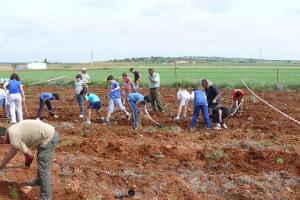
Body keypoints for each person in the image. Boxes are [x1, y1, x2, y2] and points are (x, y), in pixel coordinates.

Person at [0, 120, 60, 200]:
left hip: (49, 138)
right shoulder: (10, 130)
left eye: (1, 142)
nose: (3, 144)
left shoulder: (13, 137)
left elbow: (30, 156)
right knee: (41, 161)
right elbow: (13, 150)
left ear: (2, 137)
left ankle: (45, 197)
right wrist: (2, 164)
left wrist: (27, 164)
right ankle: (40, 181)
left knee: (44, 168)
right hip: (47, 134)